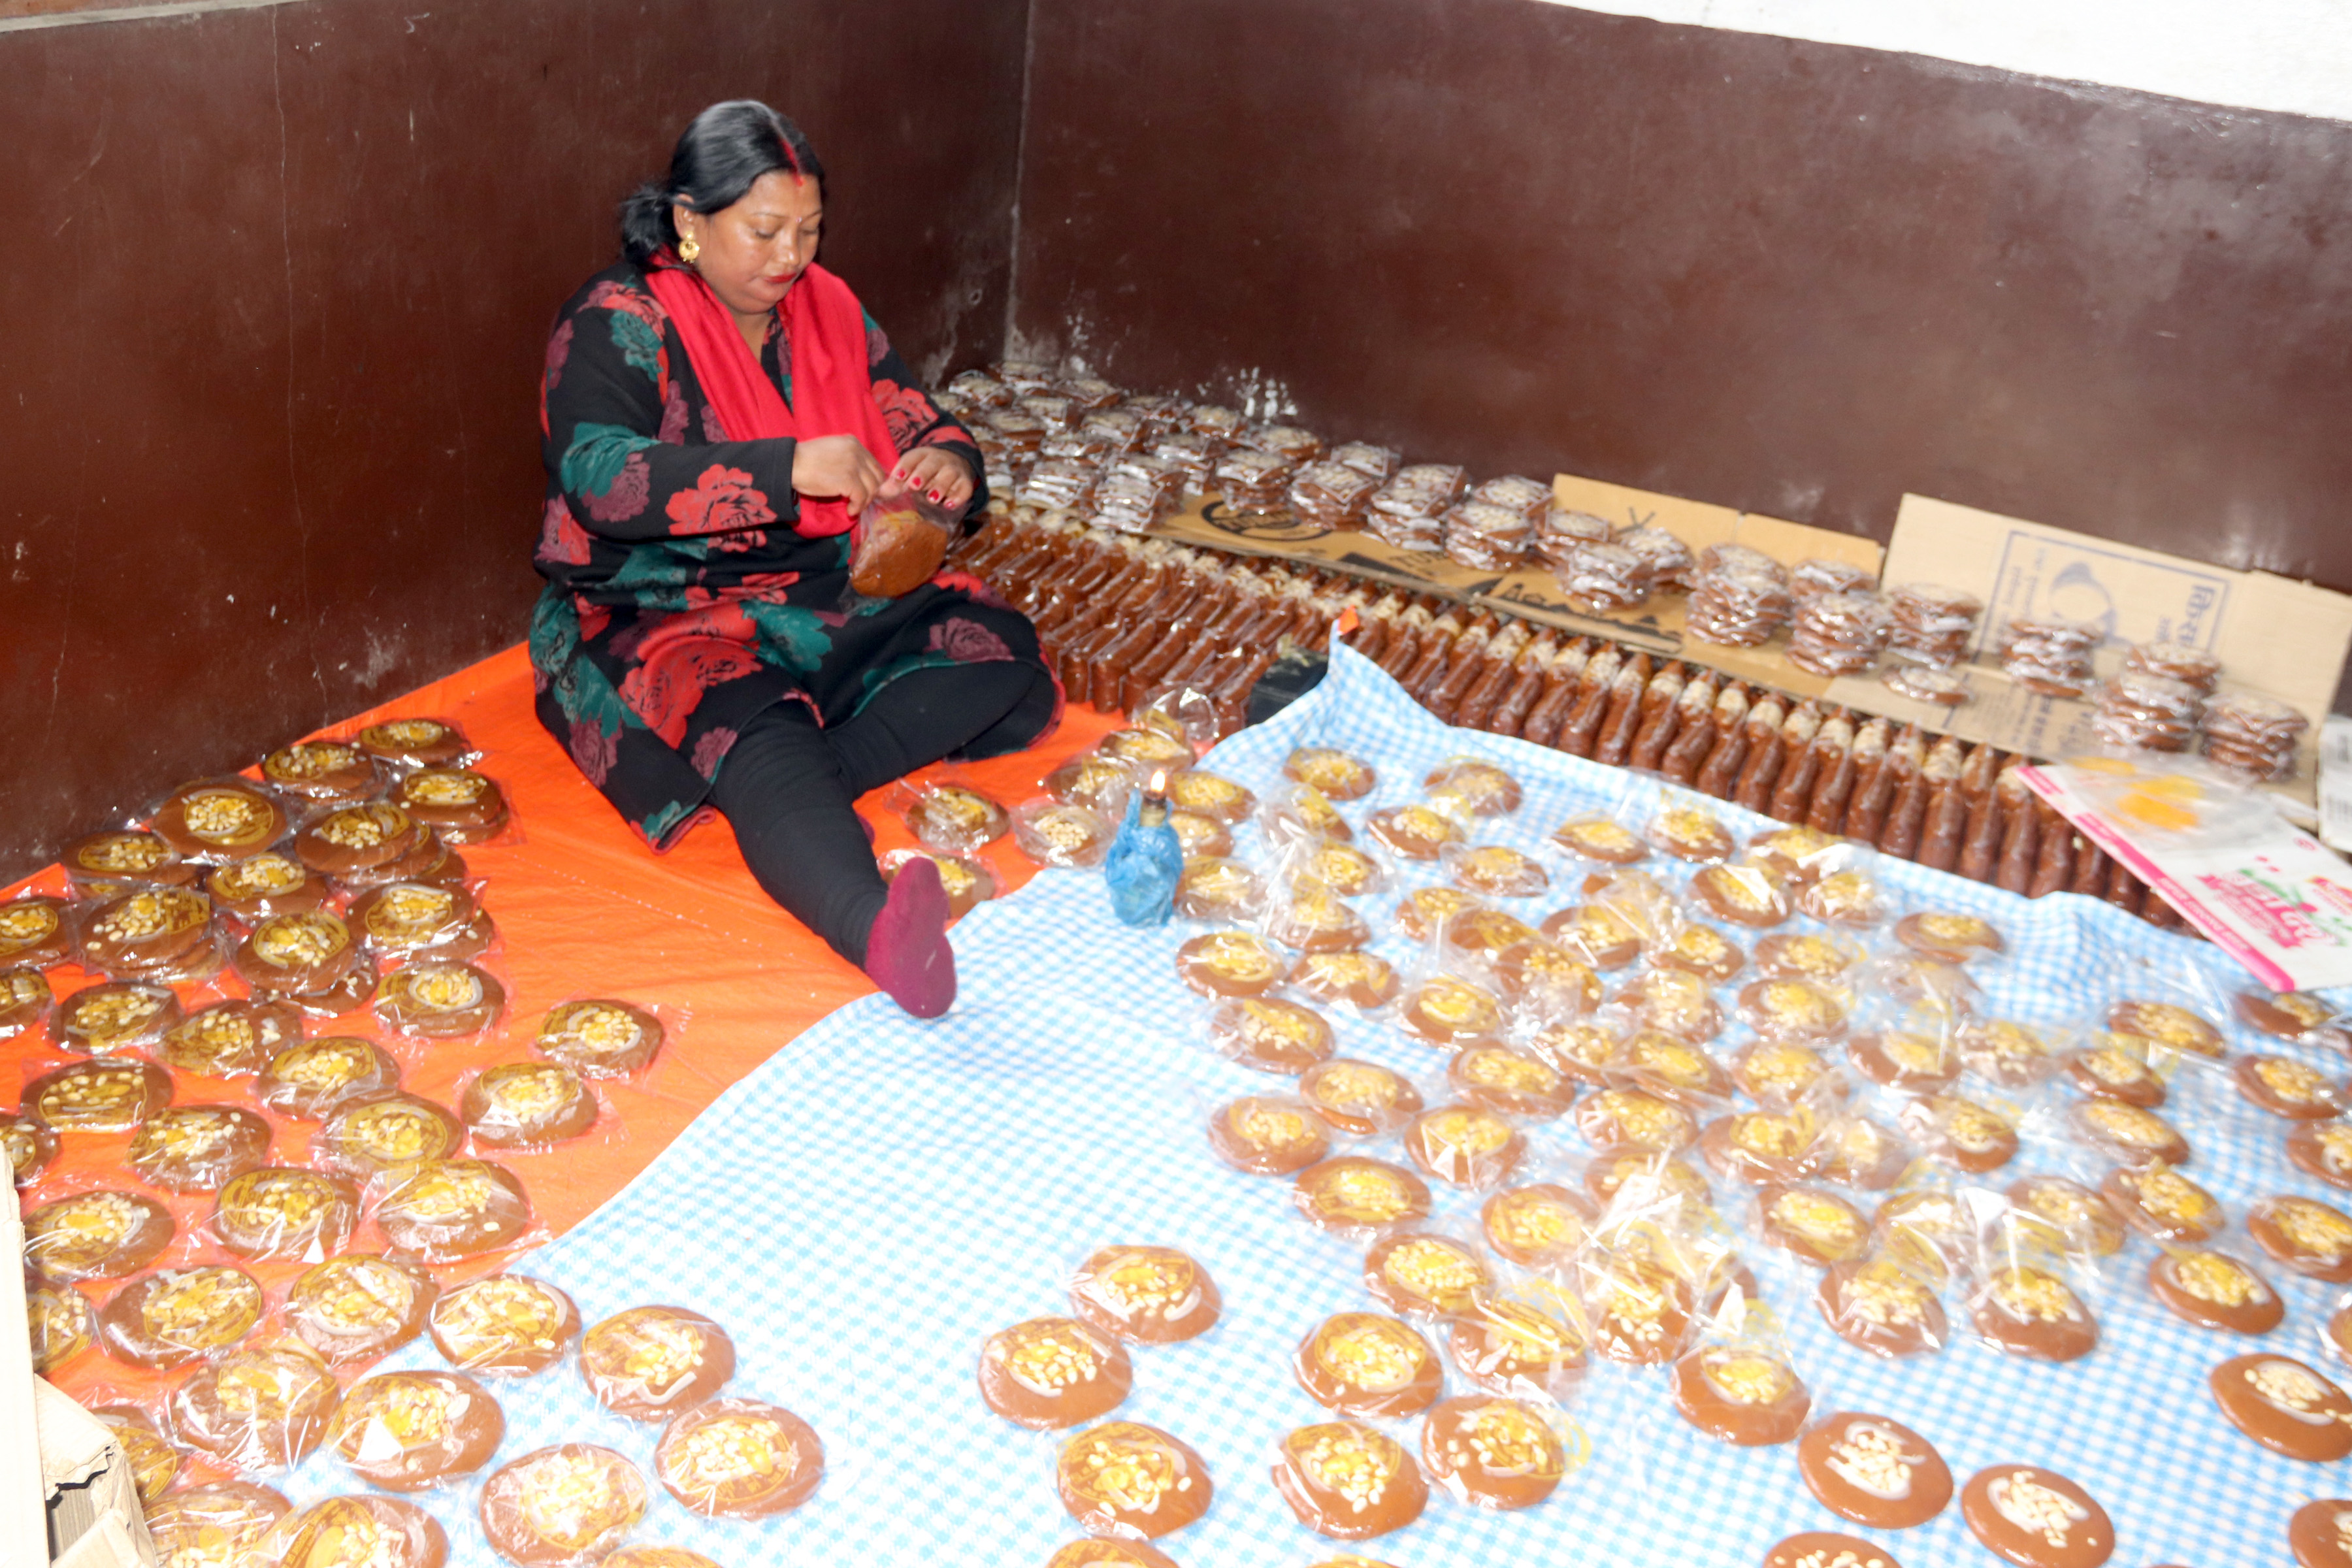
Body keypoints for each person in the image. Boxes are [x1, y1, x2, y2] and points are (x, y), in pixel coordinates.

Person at [529, 101, 1055, 1019]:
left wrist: (948, 462)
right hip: (661, 609)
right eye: (765, 231)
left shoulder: (827, 308)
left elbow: (907, 410)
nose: (790, 258)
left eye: (809, 231)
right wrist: (783, 469)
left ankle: (799, 784)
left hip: (817, 590)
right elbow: (597, 478)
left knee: (999, 656)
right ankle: (872, 928)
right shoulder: (621, 318)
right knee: (756, 726)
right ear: (690, 222)